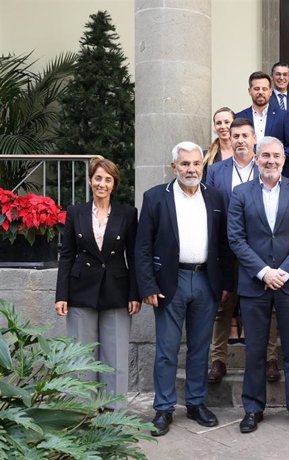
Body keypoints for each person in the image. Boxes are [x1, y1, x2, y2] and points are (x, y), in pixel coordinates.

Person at [135, 142, 233, 437]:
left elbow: (224, 245)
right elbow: (142, 246)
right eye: (185, 164)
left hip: (205, 280)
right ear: (173, 167)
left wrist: (226, 283)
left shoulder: (215, 197)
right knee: (166, 349)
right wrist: (148, 285)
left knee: (200, 348)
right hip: (170, 282)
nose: (191, 169)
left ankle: (195, 402)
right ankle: (164, 407)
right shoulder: (155, 198)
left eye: (196, 164)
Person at [228, 136, 289, 434]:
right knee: (254, 350)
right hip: (255, 284)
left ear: (284, 159)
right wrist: (264, 272)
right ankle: (253, 408)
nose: (271, 161)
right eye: (265, 155)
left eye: (276, 156)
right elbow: (236, 239)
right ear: (256, 158)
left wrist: (284, 272)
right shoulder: (240, 193)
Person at [55, 157, 140, 411]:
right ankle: (83, 412)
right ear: (91, 180)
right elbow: (67, 254)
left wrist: (135, 293)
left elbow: (134, 256)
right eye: (98, 178)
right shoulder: (75, 212)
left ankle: (114, 413)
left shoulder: (127, 213)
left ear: (114, 184)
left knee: (115, 357)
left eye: (108, 179)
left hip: (117, 291)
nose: (102, 184)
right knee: (81, 355)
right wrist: (61, 295)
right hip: (81, 290)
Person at [205, 118, 260, 383]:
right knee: (223, 304)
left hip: (259, 247)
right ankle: (218, 359)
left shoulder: (265, 166)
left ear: (254, 139)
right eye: (235, 136)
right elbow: (211, 206)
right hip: (225, 246)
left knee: (263, 305)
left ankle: (269, 358)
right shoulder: (216, 170)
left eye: (244, 136)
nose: (239, 140)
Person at [235, 71, 289, 158]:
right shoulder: (239, 117)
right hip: (247, 168)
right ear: (249, 91)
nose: (261, 92)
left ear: (270, 92)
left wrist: (276, 157)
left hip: (275, 168)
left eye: (264, 89)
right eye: (256, 89)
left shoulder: (283, 116)